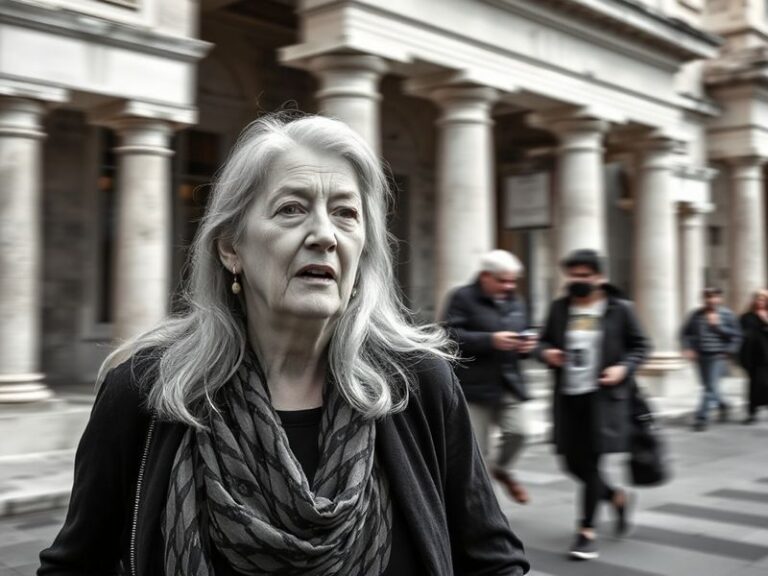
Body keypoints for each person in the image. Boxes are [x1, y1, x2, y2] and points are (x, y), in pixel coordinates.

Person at [38, 114, 529, 576]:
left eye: (345, 213)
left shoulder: (418, 384)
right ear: (230, 247)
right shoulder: (146, 391)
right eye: (291, 209)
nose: (325, 236)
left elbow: (491, 561)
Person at [537, 249, 650, 561]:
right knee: (570, 462)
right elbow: (543, 341)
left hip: (602, 399)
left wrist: (623, 369)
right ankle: (616, 497)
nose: (578, 280)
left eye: (584, 275)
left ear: (600, 277)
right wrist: (546, 353)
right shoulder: (560, 308)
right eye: (573, 275)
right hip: (567, 397)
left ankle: (586, 531)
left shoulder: (619, 309)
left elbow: (641, 346)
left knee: (590, 463)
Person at [442, 250, 536, 504]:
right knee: (475, 453)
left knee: (520, 432)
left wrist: (526, 347)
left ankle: (502, 469)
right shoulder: (462, 297)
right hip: (474, 386)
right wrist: (490, 340)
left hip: (508, 382)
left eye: (512, 281)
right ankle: (479, 509)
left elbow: (524, 335)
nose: (509, 286)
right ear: (485, 276)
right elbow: (450, 336)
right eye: (503, 280)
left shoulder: (516, 301)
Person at [681, 287, 742, 431]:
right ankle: (723, 405)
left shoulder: (727, 314)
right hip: (701, 355)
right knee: (710, 387)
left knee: (709, 388)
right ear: (703, 299)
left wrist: (718, 327)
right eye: (708, 297)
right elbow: (685, 333)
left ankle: (701, 419)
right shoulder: (696, 314)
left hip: (718, 356)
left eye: (714, 297)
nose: (711, 300)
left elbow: (736, 335)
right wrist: (688, 348)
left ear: (720, 299)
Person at [738, 289, 768, 424]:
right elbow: (741, 333)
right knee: (754, 384)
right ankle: (752, 412)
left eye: (763, 299)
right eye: (758, 299)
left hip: (766, 354)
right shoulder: (746, 317)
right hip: (753, 356)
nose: (760, 302)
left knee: (765, 383)